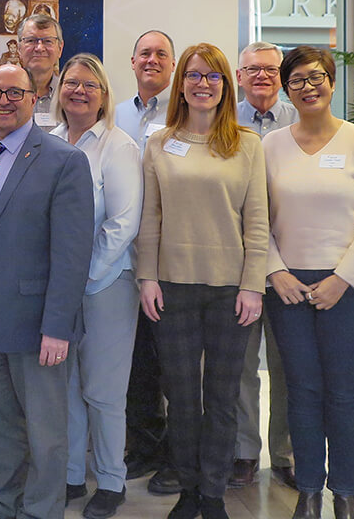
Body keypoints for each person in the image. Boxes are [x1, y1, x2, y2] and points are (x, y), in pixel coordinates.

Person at [0, 63, 95, 519]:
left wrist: (58, 329)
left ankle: (41, 509)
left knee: (46, 430)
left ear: (35, 98)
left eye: (14, 93)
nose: (3, 101)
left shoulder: (63, 160)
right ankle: (6, 501)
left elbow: (72, 256)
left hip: (37, 322)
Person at [262, 46, 354, 519]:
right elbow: (255, 219)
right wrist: (275, 270)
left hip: (350, 288)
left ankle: (345, 491)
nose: (308, 86)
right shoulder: (270, 146)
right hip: (288, 289)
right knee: (301, 390)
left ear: (333, 82)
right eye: (296, 79)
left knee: (343, 392)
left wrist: (343, 279)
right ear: (286, 89)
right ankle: (309, 490)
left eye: (316, 76)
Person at [135, 43, 268, 519]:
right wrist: (147, 278)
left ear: (225, 86)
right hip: (172, 287)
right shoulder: (159, 142)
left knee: (223, 396)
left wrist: (254, 285)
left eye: (212, 77)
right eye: (193, 75)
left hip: (231, 290)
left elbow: (257, 222)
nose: (202, 84)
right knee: (183, 398)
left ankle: (213, 494)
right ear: (181, 83)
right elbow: (150, 218)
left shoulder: (247, 144)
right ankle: (189, 491)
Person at [51, 54, 143, 519]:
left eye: (90, 85)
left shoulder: (118, 146)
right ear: (59, 89)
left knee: (104, 391)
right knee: (65, 385)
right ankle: (70, 476)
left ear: (104, 94)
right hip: (58, 288)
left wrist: (81, 276)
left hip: (105, 282)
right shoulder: (46, 142)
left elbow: (123, 224)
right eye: (72, 83)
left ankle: (110, 480)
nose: (79, 91)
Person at [113, 30, 178, 494]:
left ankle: (179, 454)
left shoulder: (189, 114)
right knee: (136, 362)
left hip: (172, 258)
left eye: (161, 54)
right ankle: (145, 446)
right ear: (132, 62)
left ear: (172, 65)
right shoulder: (115, 116)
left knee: (174, 362)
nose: (152, 60)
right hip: (124, 259)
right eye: (145, 54)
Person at [231, 41, 298, 490]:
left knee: (288, 364)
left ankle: (288, 454)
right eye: (252, 69)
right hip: (238, 263)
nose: (262, 76)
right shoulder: (223, 121)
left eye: (271, 69)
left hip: (293, 266)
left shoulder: (302, 119)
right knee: (239, 367)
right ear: (239, 76)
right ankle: (242, 452)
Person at [16, 14, 63, 131]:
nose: (39, 48)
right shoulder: (4, 96)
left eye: (48, 41)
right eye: (31, 40)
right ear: (19, 49)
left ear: (60, 49)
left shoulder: (70, 96)